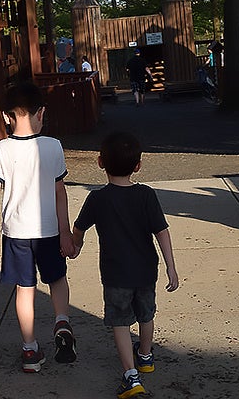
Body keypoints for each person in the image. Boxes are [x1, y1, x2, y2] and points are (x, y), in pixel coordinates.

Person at [70, 131, 179, 398]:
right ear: (138, 166)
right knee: (146, 314)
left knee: (120, 322)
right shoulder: (146, 195)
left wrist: (76, 246)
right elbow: (161, 232)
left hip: (116, 273)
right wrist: (171, 266)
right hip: (145, 271)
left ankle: (131, 376)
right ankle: (145, 356)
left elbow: (79, 228)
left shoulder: (97, 199)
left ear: (100, 162)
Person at [0, 82, 77, 373]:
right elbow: (60, 193)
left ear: (6, 117)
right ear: (41, 113)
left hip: (17, 233)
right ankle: (62, 322)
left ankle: (30, 350)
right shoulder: (53, 146)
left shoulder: (0, 149)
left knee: (25, 288)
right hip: (49, 231)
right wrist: (66, 231)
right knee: (57, 280)